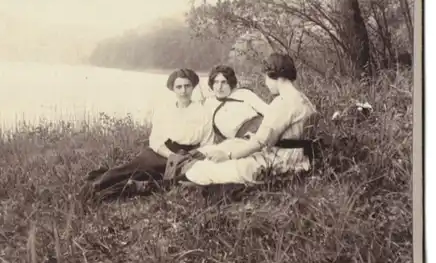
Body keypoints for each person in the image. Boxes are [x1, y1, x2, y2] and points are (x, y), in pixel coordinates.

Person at [182, 53, 318, 185]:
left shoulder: (282, 103)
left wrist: (228, 155)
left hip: (281, 162)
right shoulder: (303, 99)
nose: (266, 83)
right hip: (299, 157)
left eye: (266, 78)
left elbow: (259, 143)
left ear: (274, 76)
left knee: (202, 169)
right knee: (228, 150)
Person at [84, 68, 215, 196]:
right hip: (161, 152)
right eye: (179, 87)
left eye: (187, 86)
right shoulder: (164, 111)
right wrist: (171, 156)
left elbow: (207, 143)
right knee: (132, 169)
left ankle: (119, 189)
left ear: (193, 87)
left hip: (187, 156)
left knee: (162, 179)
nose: (183, 91)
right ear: (173, 89)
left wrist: (189, 158)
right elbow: (156, 140)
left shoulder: (203, 112)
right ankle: (96, 185)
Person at [201, 65, 272, 144]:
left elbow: (268, 112)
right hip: (239, 142)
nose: (219, 87)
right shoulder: (208, 105)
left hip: (261, 129)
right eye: (216, 82)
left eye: (224, 82)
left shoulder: (242, 93)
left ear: (230, 83)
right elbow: (207, 134)